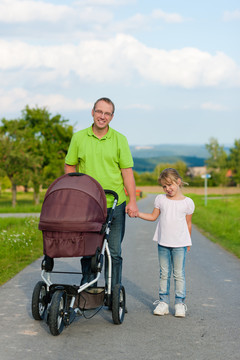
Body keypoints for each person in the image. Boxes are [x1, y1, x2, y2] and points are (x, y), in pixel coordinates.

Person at [64, 97, 138, 298]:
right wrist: (73, 188)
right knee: (89, 249)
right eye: (99, 112)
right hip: (87, 203)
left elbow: (127, 172)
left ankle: (114, 294)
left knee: (113, 251)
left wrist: (132, 200)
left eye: (107, 113)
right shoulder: (79, 138)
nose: (102, 116)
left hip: (116, 203)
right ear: (92, 112)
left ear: (112, 117)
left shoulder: (119, 139)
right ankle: (86, 289)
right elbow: (70, 165)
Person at [137, 168, 195, 317]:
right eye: (164, 186)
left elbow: (188, 224)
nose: (168, 189)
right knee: (164, 273)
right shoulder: (160, 199)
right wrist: (137, 213)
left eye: (170, 185)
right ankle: (163, 303)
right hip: (163, 243)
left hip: (180, 244)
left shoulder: (188, 203)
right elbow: (152, 216)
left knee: (178, 274)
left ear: (178, 182)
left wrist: (188, 242)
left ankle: (180, 304)